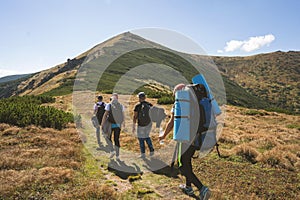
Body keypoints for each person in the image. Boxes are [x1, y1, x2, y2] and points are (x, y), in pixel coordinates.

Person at [159, 84, 211, 200]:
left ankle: (202, 188)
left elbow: (172, 122)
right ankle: (188, 187)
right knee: (187, 162)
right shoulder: (196, 101)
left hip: (185, 138)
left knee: (182, 165)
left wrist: (163, 135)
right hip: (197, 137)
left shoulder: (181, 102)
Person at [101, 93, 125, 159]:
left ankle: (112, 151)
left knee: (108, 138)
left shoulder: (109, 105)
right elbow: (123, 115)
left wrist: (102, 124)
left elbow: (105, 115)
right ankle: (117, 155)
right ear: (117, 98)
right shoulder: (121, 106)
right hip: (118, 125)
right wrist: (123, 124)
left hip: (110, 125)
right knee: (116, 139)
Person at [133, 92, 155, 159]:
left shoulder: (137, 106)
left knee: (141, 139)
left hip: (140, 124)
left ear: (139, 98)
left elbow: (135, 116)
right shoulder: (149, 105)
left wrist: (133, 126)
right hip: (148, 124)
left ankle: (143, 154)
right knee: (147, 136)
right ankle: (151, 149)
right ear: (145, 97)